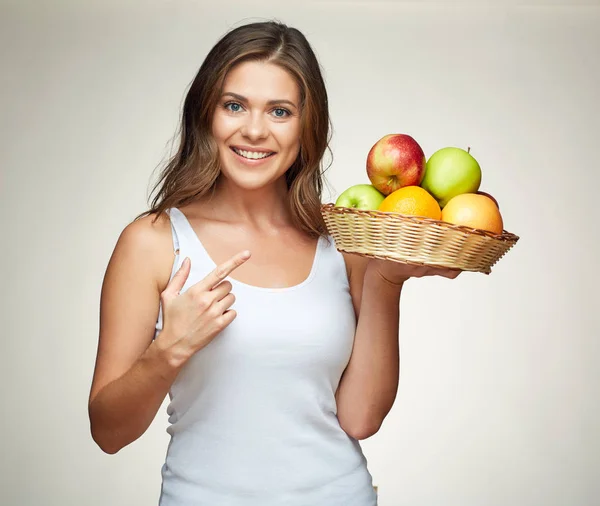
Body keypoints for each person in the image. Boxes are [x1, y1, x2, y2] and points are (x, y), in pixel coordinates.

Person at [88, 20, 459, 506]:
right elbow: (108, 433)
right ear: (208, 114)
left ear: (307, 126)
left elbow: (360, 419)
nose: (255, 130)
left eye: (280, 111)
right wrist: (167, 351)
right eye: (234, 105)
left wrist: (386, 281)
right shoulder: (154, 242)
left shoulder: (342, 240)